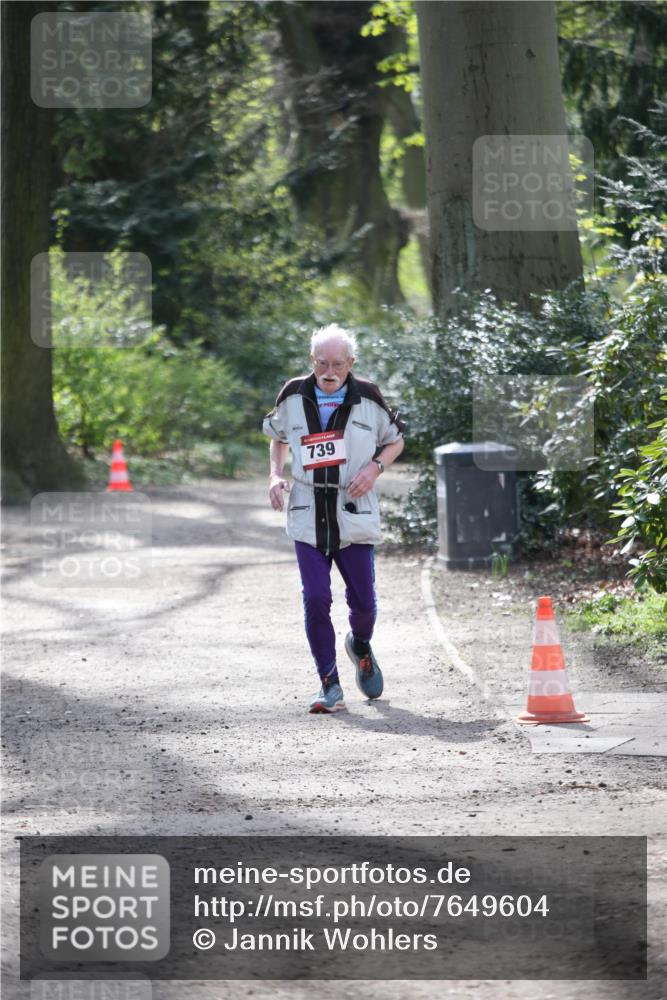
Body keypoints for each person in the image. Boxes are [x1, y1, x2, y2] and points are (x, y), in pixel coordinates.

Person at [262, 324, 405, 714]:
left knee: (364, 603)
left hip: (353, 510)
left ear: (351, 363)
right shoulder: (293, 394)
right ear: (312, 361)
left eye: (338, 364)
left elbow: (396, 440)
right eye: (322, 363)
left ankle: (359, 643)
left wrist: (375, 468)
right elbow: (275, 435)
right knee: (316, 599)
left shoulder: (369, 397)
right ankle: (329, 683)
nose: (329, 371)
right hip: (309, 510)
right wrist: (275, 475)